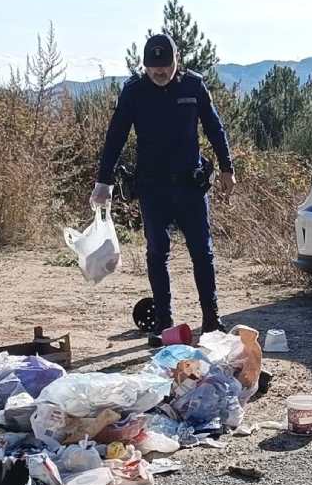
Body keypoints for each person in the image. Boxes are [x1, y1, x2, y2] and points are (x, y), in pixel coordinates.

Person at [90, 33, 236, 346]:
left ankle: (211, 321)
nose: (160, 72)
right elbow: (115, 136)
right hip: (152, 187)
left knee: (202, 253)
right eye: (153, 67)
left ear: (176, 61)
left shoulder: (193, 86)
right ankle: (164, 324)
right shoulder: (134, 91)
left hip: (190, 186)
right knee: (157, 253)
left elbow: (214, 127)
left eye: (165, 66)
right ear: (144, 66)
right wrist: (104, 181)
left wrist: (227, 168)